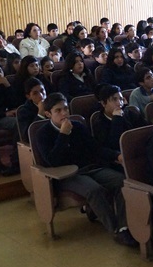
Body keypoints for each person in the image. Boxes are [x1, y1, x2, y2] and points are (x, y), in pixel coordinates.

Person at [35, 92, 136, 247]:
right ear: (48, 114)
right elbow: (53, 161)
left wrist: (116, 156)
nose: (64, 113)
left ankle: (124, 226)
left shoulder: (78, 126)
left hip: (90, 168)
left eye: (65, 109)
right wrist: (63, 135)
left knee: (121, 181)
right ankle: (115, 230)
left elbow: (95, 148)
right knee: (94, 190)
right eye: (58, 111)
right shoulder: (42, 134)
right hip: (66, 175)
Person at [92, 84, 146, 152]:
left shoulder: (130, 114)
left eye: (121, 99)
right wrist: (117, 119)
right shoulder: (99, 123)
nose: (119, 103)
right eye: (114, 99)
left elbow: (145, 131)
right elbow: (112, 146)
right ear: (103, 103)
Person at [17, 77, 47, 143]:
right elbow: (27, 137)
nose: (41, 95)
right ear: (28, 96)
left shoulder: (54, 104)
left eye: (42, 90)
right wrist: (40, 114)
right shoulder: (23, 111)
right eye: (35, 93)